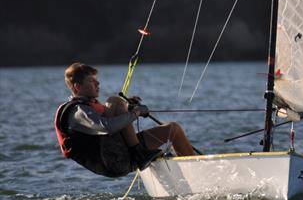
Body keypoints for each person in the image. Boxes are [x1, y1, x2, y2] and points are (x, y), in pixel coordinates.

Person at [54, 62, 197, 178]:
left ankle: (195, 173)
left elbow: (116, 119)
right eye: (92, 81)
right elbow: (107, 127)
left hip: (124, 152)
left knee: (173, 129)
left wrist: (128, 107)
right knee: (115, 100)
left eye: (97, 80)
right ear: (77, 87)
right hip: (111, 161)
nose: (98, 84)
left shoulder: (93, 106)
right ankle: (140, 154)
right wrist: (136, 113)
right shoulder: (77, 112)